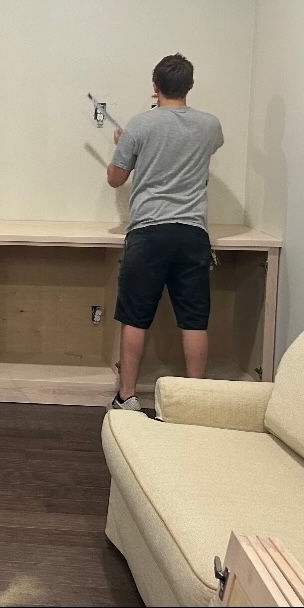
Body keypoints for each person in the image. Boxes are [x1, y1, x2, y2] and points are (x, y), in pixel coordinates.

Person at [105, 54, 224, 412]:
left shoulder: (140, 125)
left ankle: (127, 397)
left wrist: (126, 145)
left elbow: (115, 179)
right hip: (191, 232)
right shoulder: (211, 125)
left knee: (136, 315)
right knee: (194, 318)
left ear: (155, 88)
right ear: (190, 86)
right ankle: (192, 400)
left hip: (149, 232)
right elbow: (196, 149)